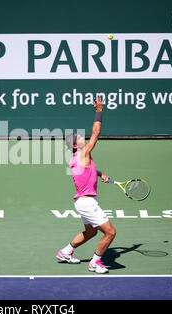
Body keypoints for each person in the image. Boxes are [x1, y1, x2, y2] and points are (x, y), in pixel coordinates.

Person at [56, 96, 116, 274]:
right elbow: (96, 133)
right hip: (88, 203)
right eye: (80, 138)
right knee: (110, 232)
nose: (84, 138)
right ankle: (95, 262)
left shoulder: (78, 159)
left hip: (81, 202)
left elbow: (87, 172)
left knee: (91, 232)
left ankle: (65, 252)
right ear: (75, 145)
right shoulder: (83, 153)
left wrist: (99, 173)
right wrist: (99, 110)